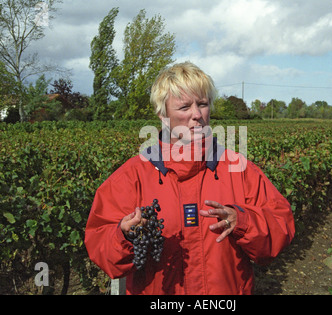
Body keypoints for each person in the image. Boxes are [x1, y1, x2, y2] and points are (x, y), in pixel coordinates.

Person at [84, 62, 295, 295]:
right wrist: (124, 236)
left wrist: (243, 222)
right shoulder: (131, 176)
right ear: (163, 116)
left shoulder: (239, 169)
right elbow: (100, 247)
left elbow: (280, 226)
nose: (197, 115)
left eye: (202, 104)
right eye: (184, 107)